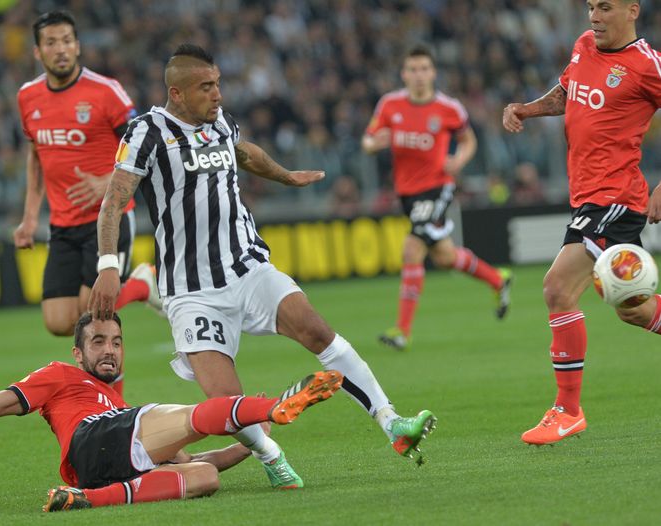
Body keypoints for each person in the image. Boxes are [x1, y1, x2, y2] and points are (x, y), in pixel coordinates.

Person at [89, 43, 437, 489]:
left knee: (318, 331)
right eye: (206, 87)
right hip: (192, 289)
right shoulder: (145, 133)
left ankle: (392, 423)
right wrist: (106, 266)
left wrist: (287, 176)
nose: (217, 94)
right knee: (226, 400)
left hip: (249, 267)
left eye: (218, 84)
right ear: (177, 93)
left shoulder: (220, 124)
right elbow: (114, 202)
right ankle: (272, 456)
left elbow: (246, 153)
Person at [0, 312, 343, 512]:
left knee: (204, 478)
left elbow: (199, 458)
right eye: (98, 342)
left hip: (98, 469)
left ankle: (83, 502)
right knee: (187, 416)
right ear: (78, 353)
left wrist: (253, 445)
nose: (109, 350)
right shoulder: (60, 375)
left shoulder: (117, 403)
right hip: (90, 438)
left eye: (116, 341)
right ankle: (276, 405)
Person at [502, 0, 661, 445]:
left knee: (557, 288)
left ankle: (567, 411)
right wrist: (528, 109)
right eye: (591, 6)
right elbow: (566, 92)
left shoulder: (648, 65)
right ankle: (567, 410)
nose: (594, 16)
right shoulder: (584, 46)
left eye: (605, 8)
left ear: (633, 10)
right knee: (634, 308)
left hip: (616, 198)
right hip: (588, 197)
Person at [14, 10, 162, 344]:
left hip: (107, 218)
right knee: (57, 322)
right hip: (63, 225)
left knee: (94, 317)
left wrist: (107, 182)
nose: (61, 49)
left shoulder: (106, 92)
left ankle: (109, 398)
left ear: (78, 46)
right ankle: (140, 285)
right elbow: (35, 156)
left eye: (67, 41)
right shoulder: (27, 96)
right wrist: (28, 219)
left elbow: (144, 148)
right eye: (51, 43)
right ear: (38, 52)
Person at [361, 45, 512, 352]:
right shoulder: (390, 105)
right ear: (404, 74)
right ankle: (497, 279)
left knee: (412, 248)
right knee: (444, 256)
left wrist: (459, 160)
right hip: (407, 193)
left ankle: (402, 331)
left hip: (437, 187)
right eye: (412, 69)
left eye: (424, 69)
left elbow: (468, 140)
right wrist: (374, 144)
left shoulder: (449, 108)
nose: (418, 75)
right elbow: (367, 140)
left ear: (433, 72)